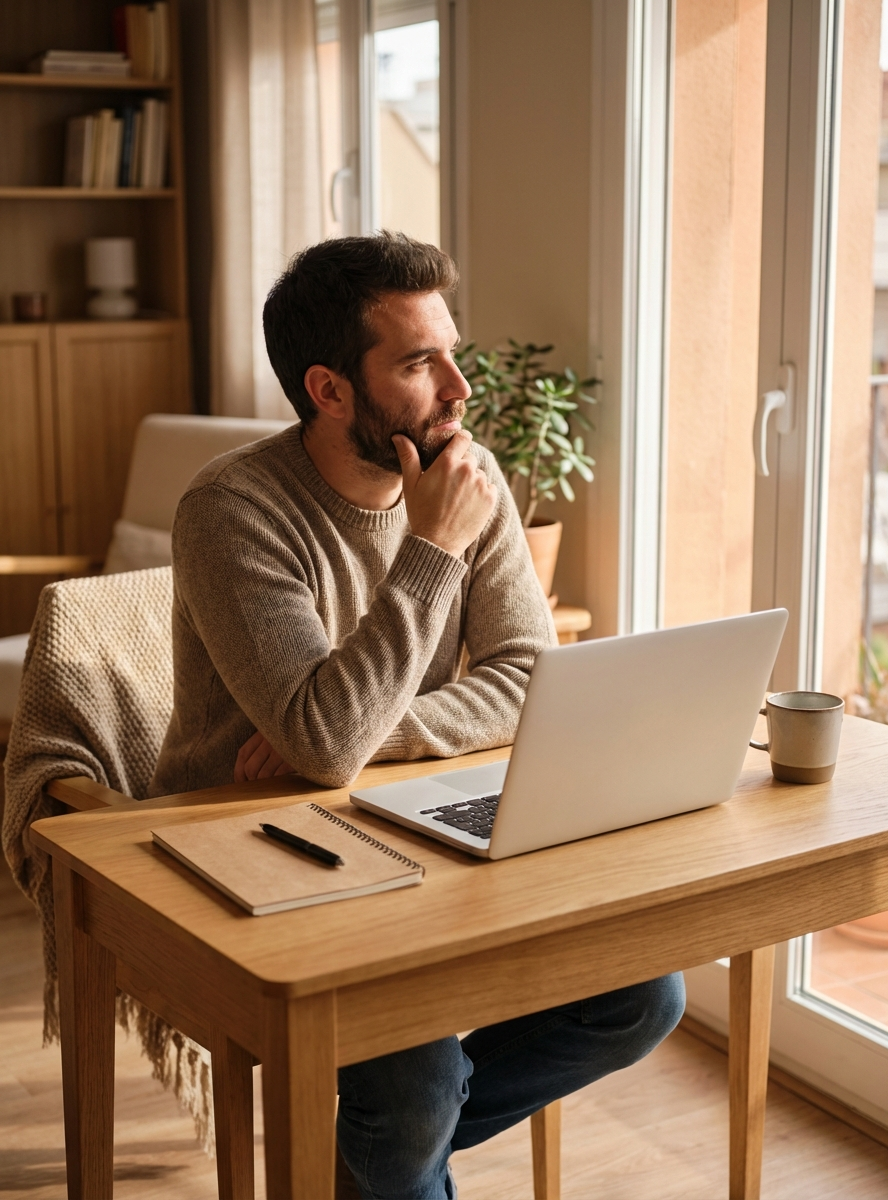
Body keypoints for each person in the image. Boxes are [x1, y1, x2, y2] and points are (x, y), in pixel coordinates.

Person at [149, 232, 684, 1199]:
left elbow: (526, 677)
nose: (458, 387)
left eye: (451, 349)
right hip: (248, 845)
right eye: (417, 362)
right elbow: (322, 747)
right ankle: (389, 1148)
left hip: (406, 814)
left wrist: (356, 736)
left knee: (642, 995)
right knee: (417, 1075)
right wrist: (431, 547)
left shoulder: (463, 474)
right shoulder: (233, 510)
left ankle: (373, 1158)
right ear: (330, 390)